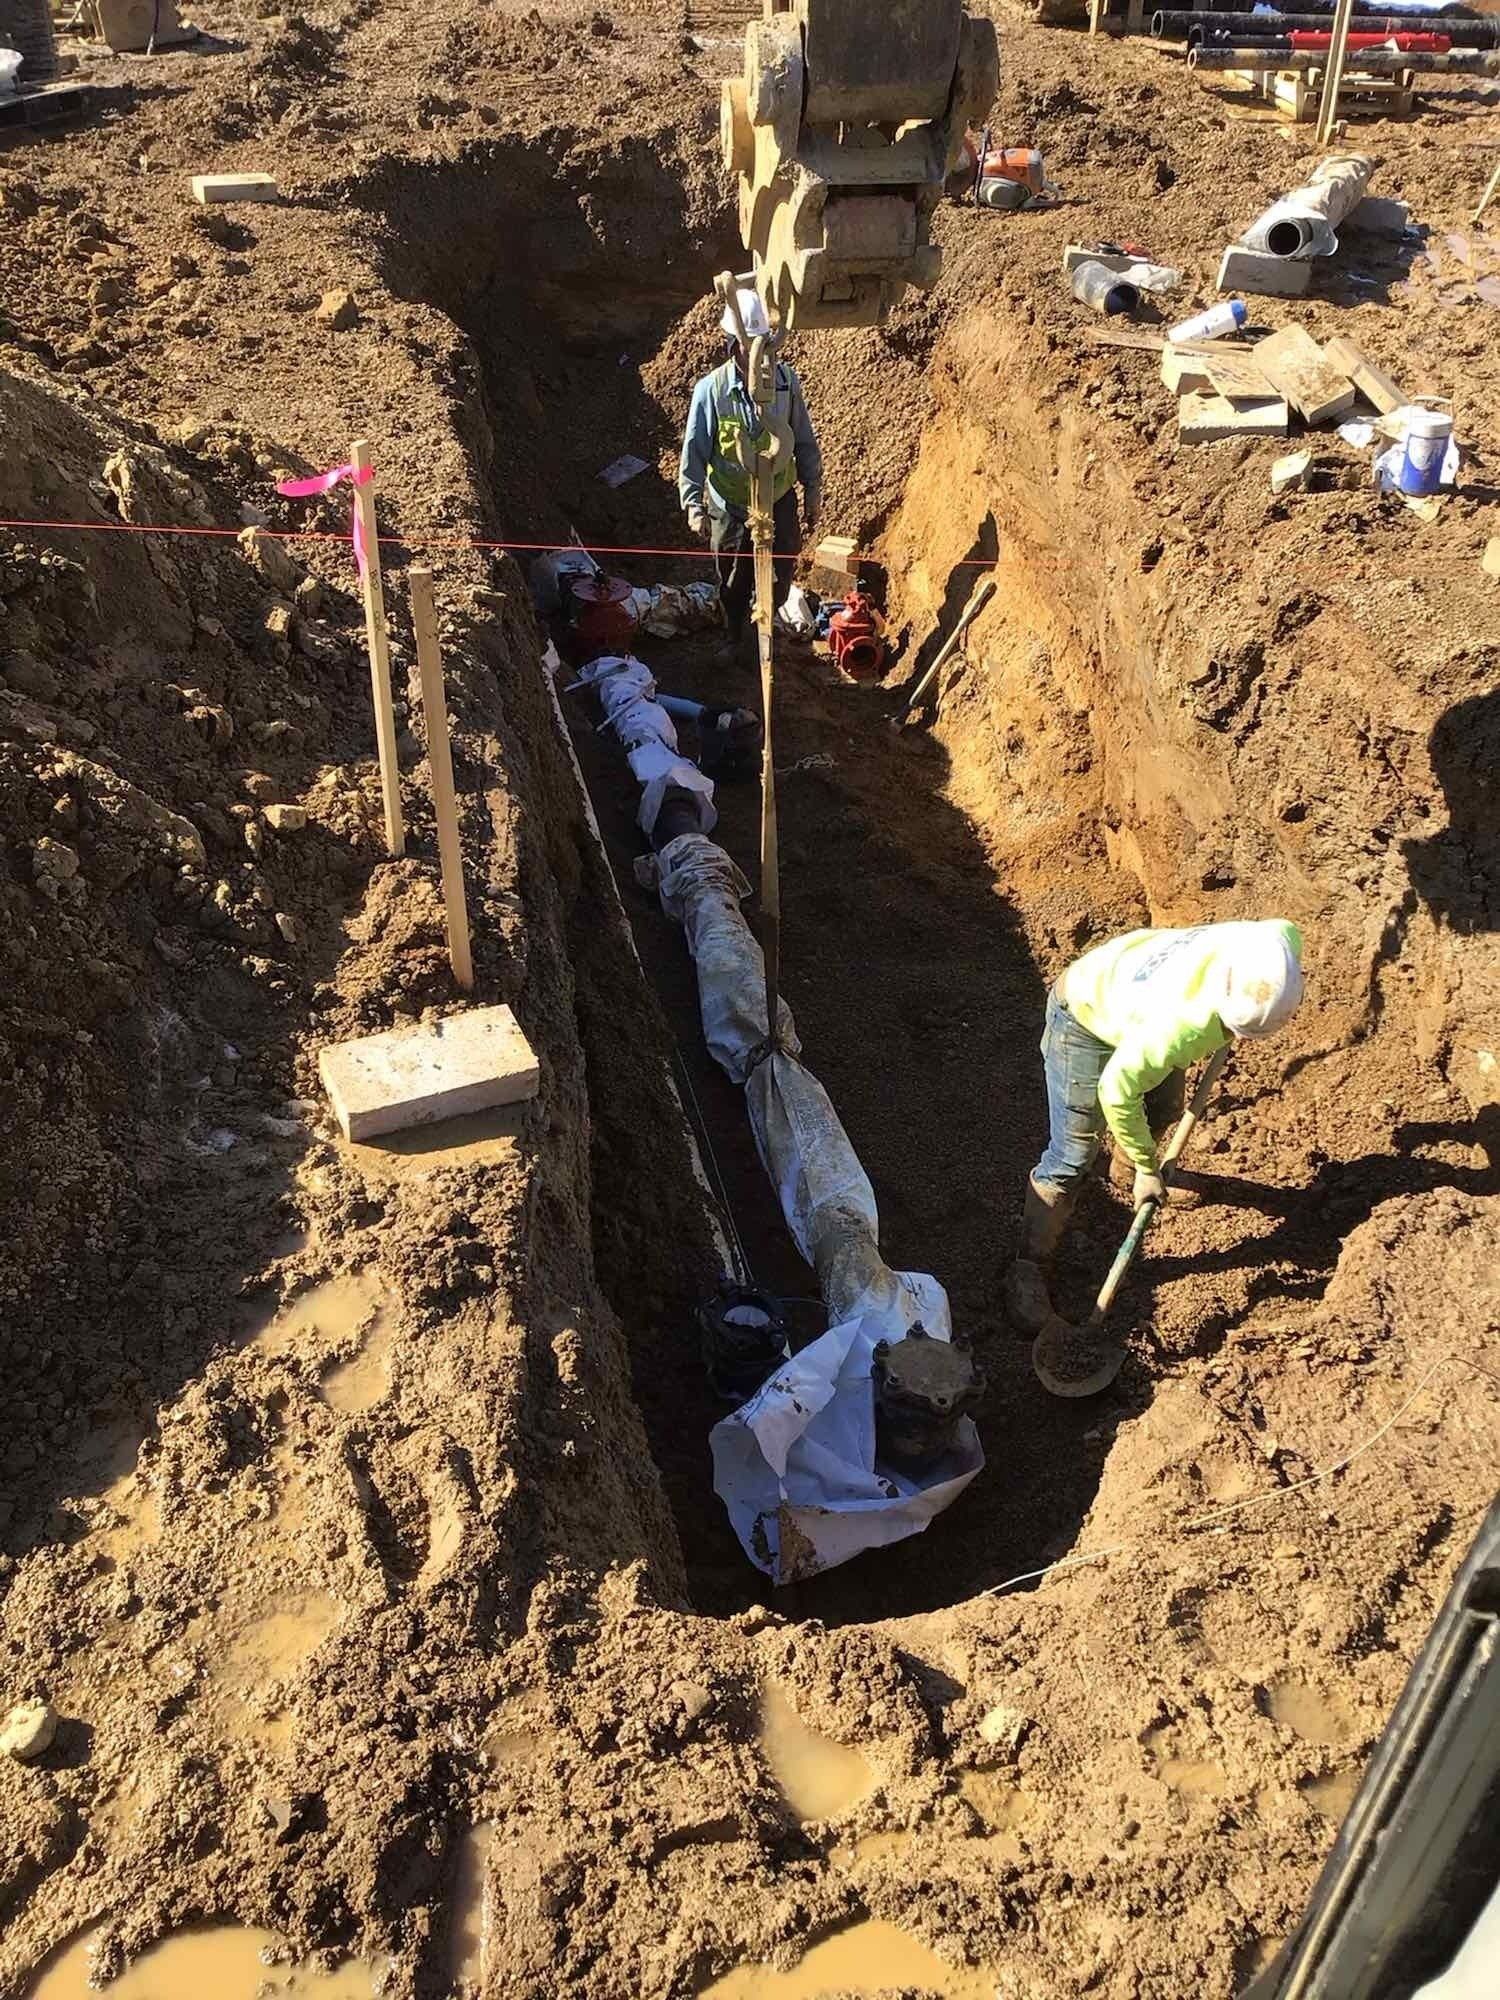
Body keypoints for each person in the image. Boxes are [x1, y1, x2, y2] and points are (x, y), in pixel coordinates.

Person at [1005, 919, 1306, 1334]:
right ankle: (1029, 1264)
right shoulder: (1183, 1026)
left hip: (1134, 992)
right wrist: (1152, 1166)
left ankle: (1125, 1172)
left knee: (1164, 1106)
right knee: (1073, 1155)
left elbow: (1283, 938)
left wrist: (1139, 1165)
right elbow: (1116, 1090)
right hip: (1084, 1015)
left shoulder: (1276, 944)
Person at [678, 285, 823, 663]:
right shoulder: (711, 391)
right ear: (732, 343)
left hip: (779, 498)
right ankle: (735, 637)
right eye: (748, 342)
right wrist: (694, 505)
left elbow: (803, 438)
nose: (757, 351)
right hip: (731, 507)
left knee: (781, 570)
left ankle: (768, 626)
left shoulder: (786, 382)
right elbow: (693, 453)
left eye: (762, 340)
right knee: (733, 581)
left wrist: (813, 489)